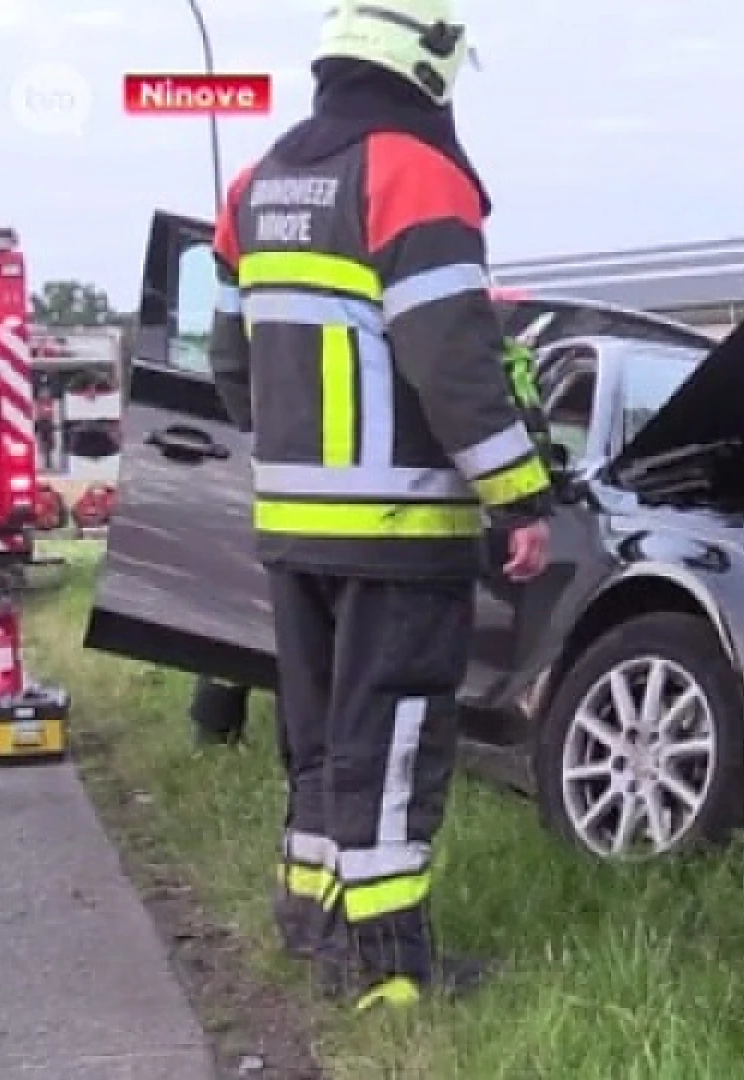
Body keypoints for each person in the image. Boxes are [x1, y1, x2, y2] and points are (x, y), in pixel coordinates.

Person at [207, 0, 555, 1011]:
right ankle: (391, 968)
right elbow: (454, 356)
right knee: (394, 736)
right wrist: (518, 495)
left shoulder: (256, 184)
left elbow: (229, 360)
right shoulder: (412, 171)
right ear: (429, 62)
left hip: (297, 525)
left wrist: (293, 456)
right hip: (399, 526)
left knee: (317, 735)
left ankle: (312, 927)